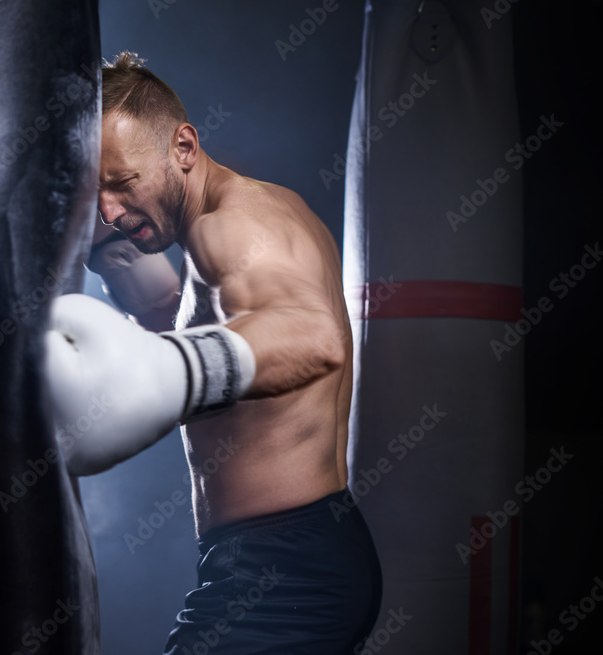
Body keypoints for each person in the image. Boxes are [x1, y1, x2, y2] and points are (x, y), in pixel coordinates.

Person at [44, 51, 382, 654]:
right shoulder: (260, 213)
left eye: (123, 184)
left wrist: (162, 371)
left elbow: (312, 336)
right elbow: (231, 332)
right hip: (299, 551)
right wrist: (128, 276)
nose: (109, 211)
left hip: (282, 568)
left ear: (183, 146)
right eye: (97, 194)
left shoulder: (232, 229)